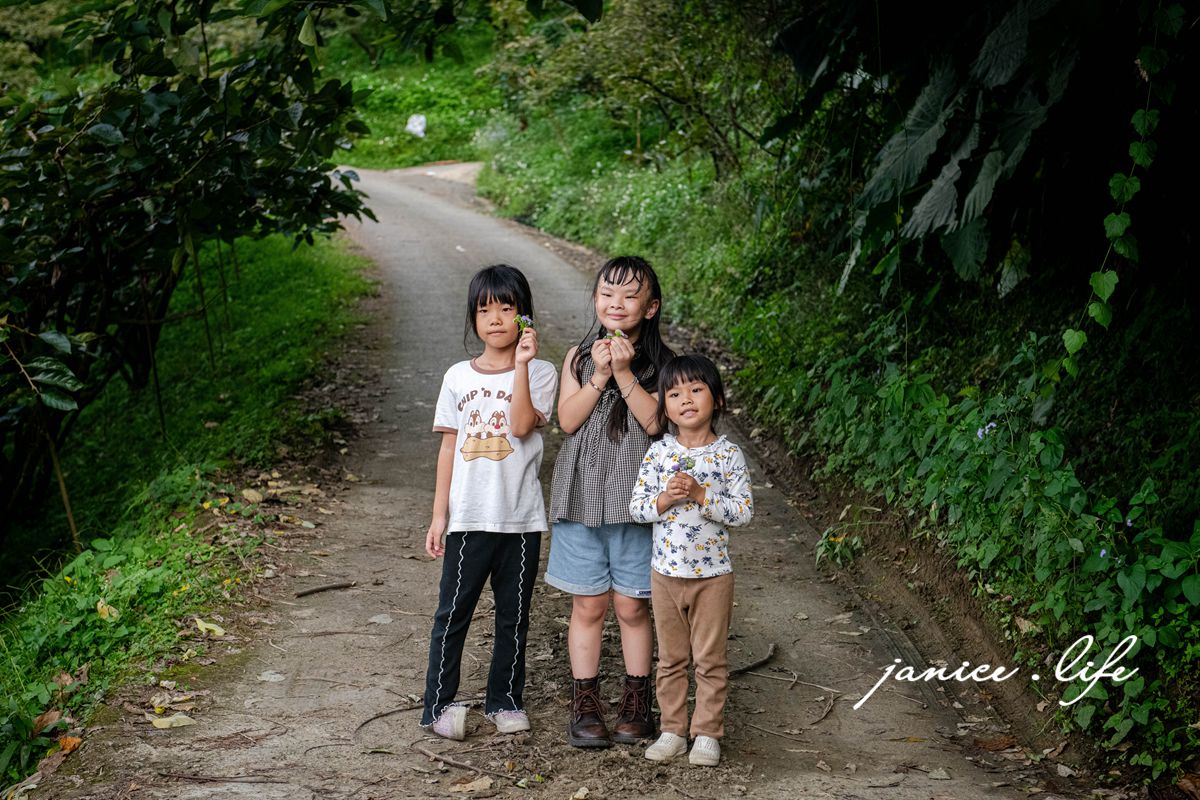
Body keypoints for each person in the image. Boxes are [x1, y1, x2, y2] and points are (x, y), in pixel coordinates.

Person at [421, 264, 558, 741]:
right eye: (484, 310)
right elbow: (447, 449)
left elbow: (521, 426)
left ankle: (505, 701)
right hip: (468, 517)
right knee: (453, 613)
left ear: (524, 317)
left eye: (506, 307)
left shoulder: (541, 372)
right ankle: (437, 706)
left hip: (520, 520)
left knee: (513, 616)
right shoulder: (458, 376)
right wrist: (440, 515)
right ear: (473, 318)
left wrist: (520, 364)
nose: (495, 318)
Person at [545, 256, 675, 748]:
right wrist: (599, 373)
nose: (615, 304)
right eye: (606, 294)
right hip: (582, 499)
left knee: (632, 606)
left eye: (629, 295)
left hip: (639, 504)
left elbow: (657, 424)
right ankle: (586, 704)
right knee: (589, 603)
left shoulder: (664, 364)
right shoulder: (579, 357)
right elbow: (569, 421)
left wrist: (623, 373)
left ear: (650, 307)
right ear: (595, 300)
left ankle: (637, 704)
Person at [629, 354, 753, 766]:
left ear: (716, 399)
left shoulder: (728, 455)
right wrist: (666, 497)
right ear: (663, 406)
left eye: (697, 389)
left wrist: (702, 495)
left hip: (713, 576)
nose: (686, 399)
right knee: (670, 658)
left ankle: (707, 733)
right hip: (665, 573)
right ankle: (672, 730)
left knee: (710, 658)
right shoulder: (658, 453)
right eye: (675, 392)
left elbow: (743, 513)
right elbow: (638, 508)